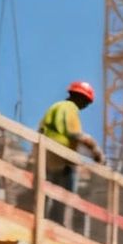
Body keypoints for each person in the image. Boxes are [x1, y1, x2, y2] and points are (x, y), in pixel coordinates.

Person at [37, 80, 102, 231]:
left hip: (47, 154)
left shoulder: (56, 106)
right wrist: (95, 150)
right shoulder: (70, 108)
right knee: (67, 191)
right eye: (86, 102)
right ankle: (58, 222)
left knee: (47, 188)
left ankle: (44, 216)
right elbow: (75, 135)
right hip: (60, 155)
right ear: (82, 99)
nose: (85, 106)